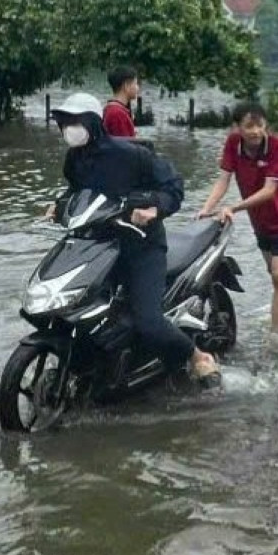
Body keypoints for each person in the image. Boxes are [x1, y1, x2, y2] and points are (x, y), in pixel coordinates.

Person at [50, 92, 218, 381]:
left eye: (75, 121)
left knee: (148, 322)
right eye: (65, 122)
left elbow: (173, 187)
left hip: (141, 246)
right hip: (97, 246)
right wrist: (59, 205)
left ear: (92, 122)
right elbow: (77, 193)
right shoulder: (74, 159)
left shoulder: (132, 155)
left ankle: (197, 356)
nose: (69, 128)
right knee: (71, 306)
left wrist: (154, 207)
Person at [196, 102, 278, 331]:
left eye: (260, 125)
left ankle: (277, 335)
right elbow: (223, 180)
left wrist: (232, 208)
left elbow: (269, 190)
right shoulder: (232, 143)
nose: (256, 131)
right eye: (249, 126)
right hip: (260, 220)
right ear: (237, 127)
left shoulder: (276, 145)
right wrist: (206, 208)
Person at [102, 67, 141, 139]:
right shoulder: (117, 114)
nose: (138, 87)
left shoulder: (111, 109)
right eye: (136, 84)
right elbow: (125, 147)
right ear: (126, 86)